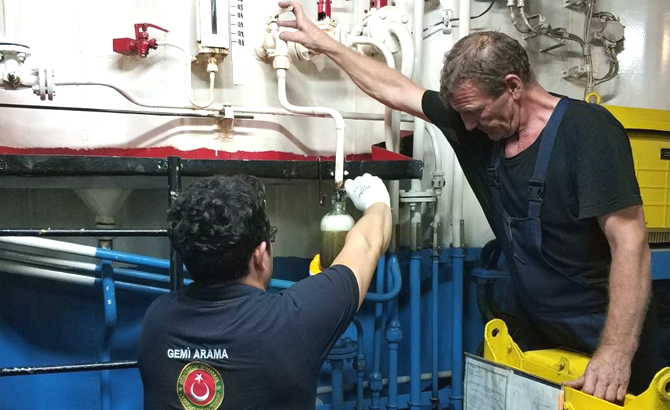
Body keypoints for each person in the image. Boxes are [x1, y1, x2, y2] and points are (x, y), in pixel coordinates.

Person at [277, 1, 663, 403]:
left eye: (476, 112)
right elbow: (394, 89)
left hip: (603, 333)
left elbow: (630, 243)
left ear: (513, 86)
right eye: (461, 114)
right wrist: (326, 44)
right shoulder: (475, 127)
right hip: (538, 333)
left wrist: (616, 353)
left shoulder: (588, 133)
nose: (467, 125)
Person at [138, 173, 391, 409]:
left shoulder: (157, 320)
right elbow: (367, 244)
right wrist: (376, 200)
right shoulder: (293, 322)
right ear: (259, 255)